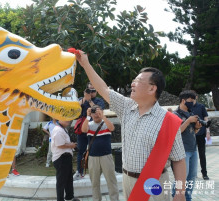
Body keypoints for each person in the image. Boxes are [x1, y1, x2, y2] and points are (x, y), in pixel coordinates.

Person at [75, 50, 187, 201]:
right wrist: (85, 64)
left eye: (138, 81)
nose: (132, 84)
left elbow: (178, 159)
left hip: (154, 182)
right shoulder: (126, 107)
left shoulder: (168, 121)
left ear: (152, 88)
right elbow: (103, 88)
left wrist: (180, 193)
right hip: (127, 179)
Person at [81, 105, 119, 201]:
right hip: (93, 157)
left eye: (98, 112)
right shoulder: (89, 124)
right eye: (94, 112)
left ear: (102, 112)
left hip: (106, 156)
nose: (96, 115)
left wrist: (103, 116)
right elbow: (83, 130)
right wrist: (87, 116)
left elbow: (112, 128)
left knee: (111, 182)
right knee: (94, 183)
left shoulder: (105, 123)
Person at [173, 90, 201, 201]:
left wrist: (197, 127)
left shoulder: (190, 113)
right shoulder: (175, 114)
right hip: (182, 151)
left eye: (194, 101)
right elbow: (177, 131)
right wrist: (188, 121)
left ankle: (187, 198)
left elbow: (192, 132)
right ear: (183, 100)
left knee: (192, 178)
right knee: (181, 178)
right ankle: (176, 197)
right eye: (191, 101)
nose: (193, 103)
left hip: (193, 149)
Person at [73, 82, 105, 180]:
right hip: (83, 128)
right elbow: (74, 108)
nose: (91, 92)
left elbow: (98, 110)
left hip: (95, 129)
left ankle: (98, 172)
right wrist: (84, 98)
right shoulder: (82, 100)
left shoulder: (99, 100)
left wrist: (90, 100)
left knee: (96, 151)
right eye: (89, 90)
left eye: (93, 90)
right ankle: (79, 171)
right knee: (81, 151)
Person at [51, 120, 80, 201]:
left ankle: (69, 197)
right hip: (61, 158)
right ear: (59, 119)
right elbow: (60, 145)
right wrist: (71, 145)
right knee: (61, 181)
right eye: (65, 118)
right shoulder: (58, 130)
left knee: (68, 178)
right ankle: (60, 199)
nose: (67, 120)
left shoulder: (63, 129)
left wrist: (72, 145)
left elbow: (64, 142)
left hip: (66, 157)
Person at [191, 92, 210, 180]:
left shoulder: (201, 106)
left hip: (201, 134)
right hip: (191, 135)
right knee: (191, 154)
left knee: (202, 154)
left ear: (197, 97)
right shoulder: (188, 107)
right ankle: (193, 173)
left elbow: (206, 119)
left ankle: (204, 173)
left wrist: (208, 132)